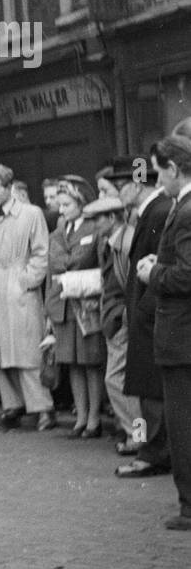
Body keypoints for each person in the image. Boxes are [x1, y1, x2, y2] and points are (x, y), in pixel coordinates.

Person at [0, 165, 54, 430]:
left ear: (9, 188)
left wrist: (27, 281)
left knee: (27, 349)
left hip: (18, 284)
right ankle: (12, 404)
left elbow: (41, 254)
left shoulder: (31, 214)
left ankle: (43, 408)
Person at [136, 134, 191, 531]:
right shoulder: (182, 206)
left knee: (182, 421)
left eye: (159, 174)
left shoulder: (185, 210)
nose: (158, 183)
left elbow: (187, 274)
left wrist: (151, 272)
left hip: (180, 336)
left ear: (173, 169)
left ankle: (189, 506)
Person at [116, 158, 172, 478]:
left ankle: (152, 451)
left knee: (149, 389)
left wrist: (143, 311)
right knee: (144, 388)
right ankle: (148, 447)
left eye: (119, 185)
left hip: (148, 316)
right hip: (145, 313)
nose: (113, 193)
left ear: (137, 185)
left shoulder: (158, 212)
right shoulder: (154, 211)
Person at [43, 177, 106, 437]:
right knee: (72, 363)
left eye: (66, 204)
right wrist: (48, 312)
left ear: (81, 201)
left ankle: (94, 418)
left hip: (86, 305)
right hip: (62, 306)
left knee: (91, 362)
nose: (61, 209)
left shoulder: (95, 229)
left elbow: (81, 262)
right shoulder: (57, 232)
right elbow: (51, 271)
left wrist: (66, 263)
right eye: (60, 204)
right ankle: (80, 417)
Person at [86, 192, 142, 451]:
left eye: (97, 219)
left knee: (117, 379)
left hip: (121, 318)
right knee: (124, 380)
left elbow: (132, 284)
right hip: (116, 317)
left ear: (112, 217)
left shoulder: (127, 243)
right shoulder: (111, 242)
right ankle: (136, 434)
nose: (93, 224)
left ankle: (136, 436)